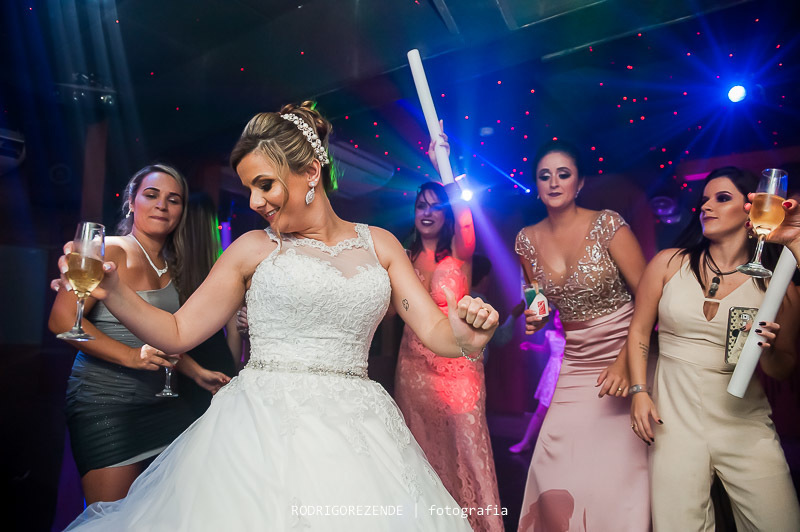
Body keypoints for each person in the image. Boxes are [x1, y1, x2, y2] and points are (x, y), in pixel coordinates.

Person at [58, 102, 499, 531]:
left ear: (310, 171)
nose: (253, 201)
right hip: (260, 430)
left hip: (360, 430)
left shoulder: (381, 245)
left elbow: (437, 331)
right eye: (249, 187)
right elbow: (176, 332)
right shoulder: (252, 248)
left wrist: (467, 335)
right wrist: (113, 290)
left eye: (264, 184)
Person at [627, 167, 800, 530]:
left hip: (744, 423)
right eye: (704, 199)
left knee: (778, 524)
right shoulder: (668, 263)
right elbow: (640, 331)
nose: (706, 205)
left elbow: (782, 367)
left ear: (751, 208)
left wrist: (766, 350)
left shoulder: (778, 286)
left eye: (722, 198)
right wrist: (640, 391)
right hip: (673, 423)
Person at [48, 164, 229, 505]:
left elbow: (162, 336)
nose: (162, 205)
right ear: (131, 201)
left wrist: (196, 372)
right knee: (112, 519)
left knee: (175, 511)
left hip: (161, 404)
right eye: (151, 195)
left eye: (173, 200)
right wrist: (131, 356)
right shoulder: (108, 250)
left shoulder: (174, 264)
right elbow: (61, 322)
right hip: (106, 406)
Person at [515, 139, 649, 531]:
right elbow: (537, 302)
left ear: (580, 183)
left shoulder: (608, 223)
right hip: (576, 362)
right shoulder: (526, 239)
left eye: (563, 174)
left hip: (629, 351)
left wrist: (628, 362)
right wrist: (534, 319)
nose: (554, 182)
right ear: (536, 186)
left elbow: (648, 295)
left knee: (617, 472)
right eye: (545, 176)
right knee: (552, 460)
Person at [394, 129, 504, 531]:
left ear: (444, 214)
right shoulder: (402, 258)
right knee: (421, 449)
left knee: (468, 451)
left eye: (435, 206)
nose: (426, 212)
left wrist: (446, 167)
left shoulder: (461, 251)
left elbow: (465, 214)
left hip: (458, 369)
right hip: (413, 368)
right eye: (420, 205)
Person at [174, 192, 243, 417]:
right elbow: (234, 333)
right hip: (216, 361)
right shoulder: (225, 267)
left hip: (180, 361)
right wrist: (230, 372)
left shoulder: (167, 268)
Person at [509, 309, 565, 454]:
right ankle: (525, 442)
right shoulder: (550, 335)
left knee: (562, 412)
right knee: (541, 410)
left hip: (567, 374)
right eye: (556, 318)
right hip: (552, 374)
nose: (558, 321)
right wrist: (530, 346)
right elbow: (545, 349)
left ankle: (557, 448)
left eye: (561, 317)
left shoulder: (572, 337)